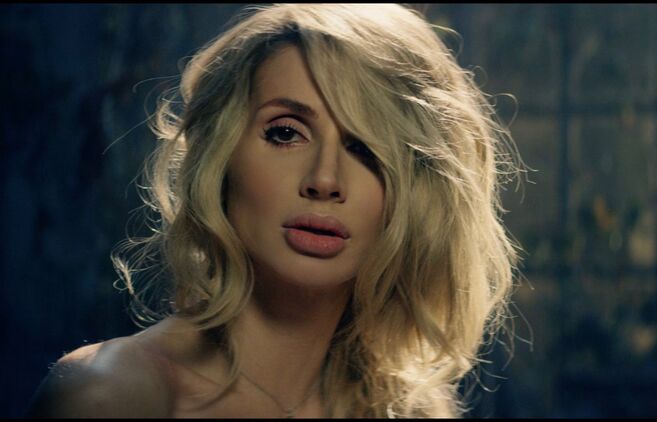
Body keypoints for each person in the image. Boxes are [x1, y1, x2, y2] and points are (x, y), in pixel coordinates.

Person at [26, 3, 523, 418]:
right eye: (286, 133)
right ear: (221, 157)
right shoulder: (111, 395)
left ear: (415, 191)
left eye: (367, 149)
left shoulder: (411, 410)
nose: (325, 180)